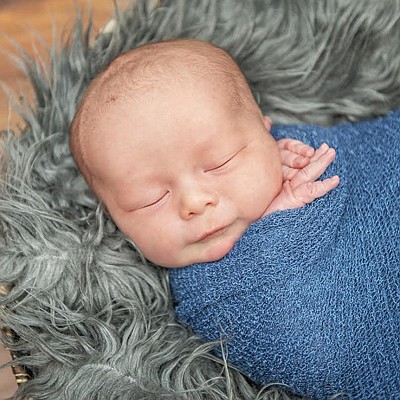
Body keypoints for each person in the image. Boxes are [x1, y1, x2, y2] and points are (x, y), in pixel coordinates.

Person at [69, 38, 339, 268]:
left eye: (221, 162)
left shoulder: (302, 152)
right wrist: (278, 215)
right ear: (110, 214)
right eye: (151, 200)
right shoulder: (177, 292)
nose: (195, 203)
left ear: (265, 130)